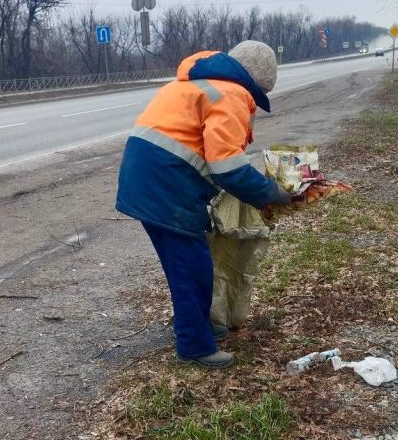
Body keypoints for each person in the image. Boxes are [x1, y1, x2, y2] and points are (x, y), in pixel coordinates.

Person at [116, 40, 291, 369]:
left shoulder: (199, 83)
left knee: (185, 263)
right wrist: (272, 194)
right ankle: (194, 346)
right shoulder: (232, 94)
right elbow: (228, 168)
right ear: (256, 82)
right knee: (191, 267)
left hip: (148, 177)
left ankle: (199, 326)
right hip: (166, 184)